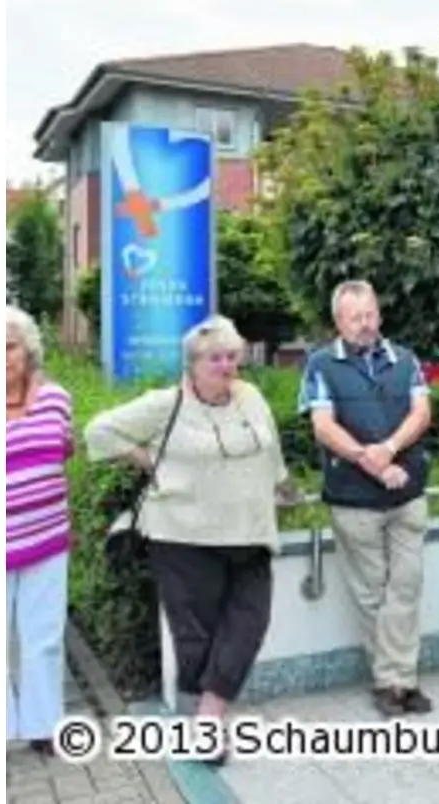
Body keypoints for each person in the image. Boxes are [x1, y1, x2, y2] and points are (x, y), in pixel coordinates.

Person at [85, 316, 296, 765]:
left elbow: (272, 449)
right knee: (195, 635)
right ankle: (206, 724)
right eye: (216, 358)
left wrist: (284, 485)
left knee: (249, 625)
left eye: (232, 356)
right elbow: (99, 431)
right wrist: (148, 461)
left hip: (251, 532)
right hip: (183, 536)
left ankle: (207, 710)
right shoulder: (168, 403)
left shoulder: (250, 397)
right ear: (193, 363)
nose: (227, 365)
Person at [299, 280, 435, 716]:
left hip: (406, 492)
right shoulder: (321, 363)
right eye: (356, 317)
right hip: (354, 497)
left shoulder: (406, 360)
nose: (366, 324)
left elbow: (422, 413)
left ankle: (399, 677)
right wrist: (370, 461)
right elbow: (323, 426)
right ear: (339, 320)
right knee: (373, 592)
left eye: (371, 314)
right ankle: (393, 682)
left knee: (406, 588)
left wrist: (390, 448)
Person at [7, 305, 73, 755]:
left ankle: (43, 725)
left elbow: (63, 452)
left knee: (44, 638)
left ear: (28, 350)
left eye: (8, 347)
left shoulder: (57, 398)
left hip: (47, 538)